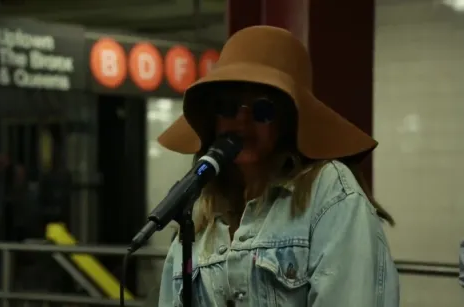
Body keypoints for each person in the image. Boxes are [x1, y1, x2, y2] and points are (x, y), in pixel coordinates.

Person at [155, 26, 400, 306]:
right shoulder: (200, 212)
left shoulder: (328, 193)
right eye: (228, 107)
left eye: (262, 110)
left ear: (288, 121)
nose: (242, 123)